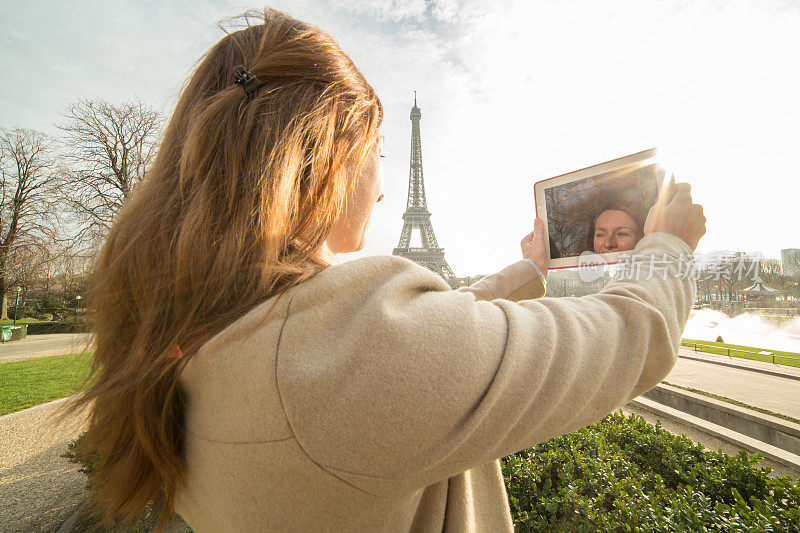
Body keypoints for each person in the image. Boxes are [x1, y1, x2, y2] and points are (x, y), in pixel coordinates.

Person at [65, 10, 706, 532]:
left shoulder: (218, 328)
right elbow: (622, 338)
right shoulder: (350, 347)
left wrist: (525, 272)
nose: (380, 191)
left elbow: (408, 342)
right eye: (377, 154)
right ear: (333, 157)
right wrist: (666, 249)